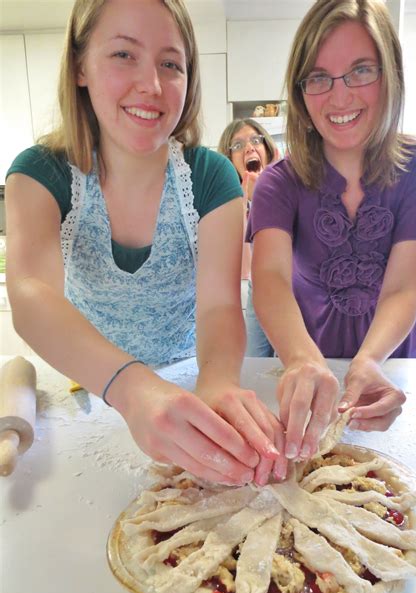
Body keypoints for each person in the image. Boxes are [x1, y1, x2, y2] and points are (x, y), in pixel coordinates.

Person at [5, 0, 287, 487]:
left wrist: (217, 383)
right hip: (88, 388)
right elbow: (31, 294)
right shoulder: (41, 172)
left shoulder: (210, 176)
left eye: (170, 64)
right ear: (80, 66)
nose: (151, 85)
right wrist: (131, 390)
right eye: (123, 55)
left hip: (189, 381)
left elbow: (219, 305)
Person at [247, 0, 416, 461]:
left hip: (390, 368)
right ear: (301, 92)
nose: (339, 98)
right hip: (306, 374)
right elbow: (271, 281)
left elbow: (401, 288)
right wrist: (301, 359)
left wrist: (370, 361)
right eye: (319, 77)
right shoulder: (279, 183)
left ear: (391, 76)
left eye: (361, 71)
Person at [217, 118, 277, 357]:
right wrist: (244, 202)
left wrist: (265, 195)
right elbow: (244, 270)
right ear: (229, 160)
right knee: (254, 365)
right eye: (238, 145)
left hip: (295, 290)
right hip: (257, 290)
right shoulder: (228, 201)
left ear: (268, 149)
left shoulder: (289, 188)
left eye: (255, 140)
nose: (250, 148)